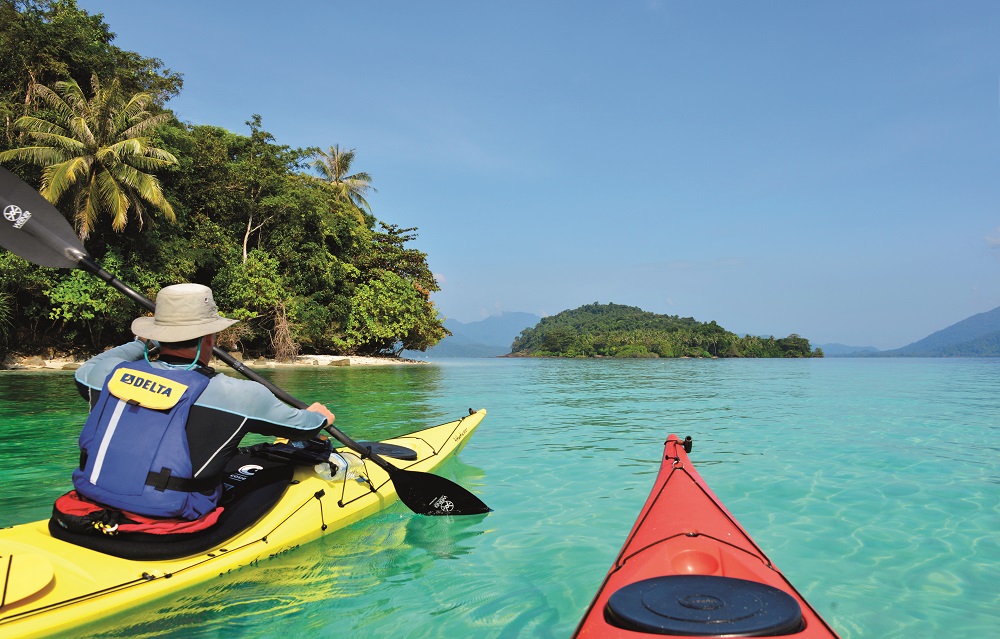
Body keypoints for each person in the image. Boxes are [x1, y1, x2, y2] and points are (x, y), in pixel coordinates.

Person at [72, 283, 335, 521]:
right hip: (177, 510)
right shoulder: (240, 394)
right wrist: (320, 416)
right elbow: (304, 428)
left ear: (158, 335)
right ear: (210, 338)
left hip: (92, 493)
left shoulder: (102, 375)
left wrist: (145, 341)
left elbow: (96, 363)